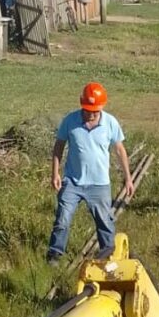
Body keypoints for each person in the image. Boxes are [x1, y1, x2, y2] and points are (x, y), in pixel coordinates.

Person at [46, 82, 134, 266]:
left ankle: (108, 256)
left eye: (95, 111)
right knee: (62, 218)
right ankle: (54, 255)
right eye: (87, 110)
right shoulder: (70, 121)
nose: (91, 115)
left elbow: (119, 150)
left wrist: (128, 178)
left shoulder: (110, 123)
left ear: (102, 107)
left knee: (105, 222)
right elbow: (58, 147)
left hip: (99, 184)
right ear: (81, 105)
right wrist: (55, 173)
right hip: (72, 181)